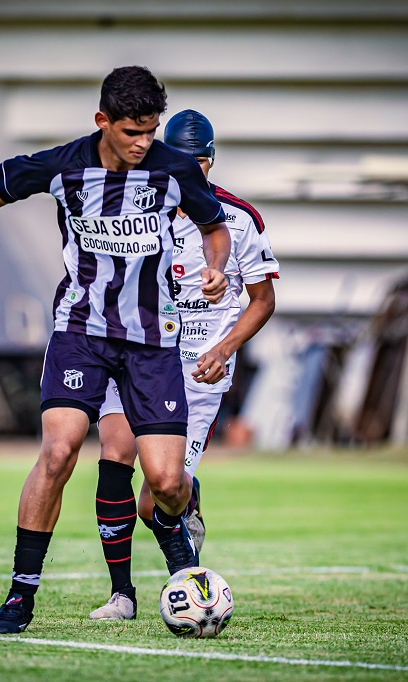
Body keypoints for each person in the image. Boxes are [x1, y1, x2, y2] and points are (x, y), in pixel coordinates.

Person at [0, 66, 232, 634]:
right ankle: (21, 595)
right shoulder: (63, 166)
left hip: (152, 342)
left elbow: (213, 226)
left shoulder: (173, 168)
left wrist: (216, 268)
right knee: (59, 452)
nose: (144, 143)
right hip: (81, 333)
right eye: (133, 132)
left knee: (168, 484)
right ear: (103, 122)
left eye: (151, 130)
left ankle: (176, 547)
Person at [89, 109, 279, 621]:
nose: (191, 172)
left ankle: (185, 506)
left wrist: (223, 350)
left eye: (200, 163)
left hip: (200, 371)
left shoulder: (238, 219)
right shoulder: (132, 206)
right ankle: (123, 595)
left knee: (159, 498)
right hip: (135, 356)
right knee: (115, 451)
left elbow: (262, 300)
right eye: (180, 162)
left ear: (211, 162)